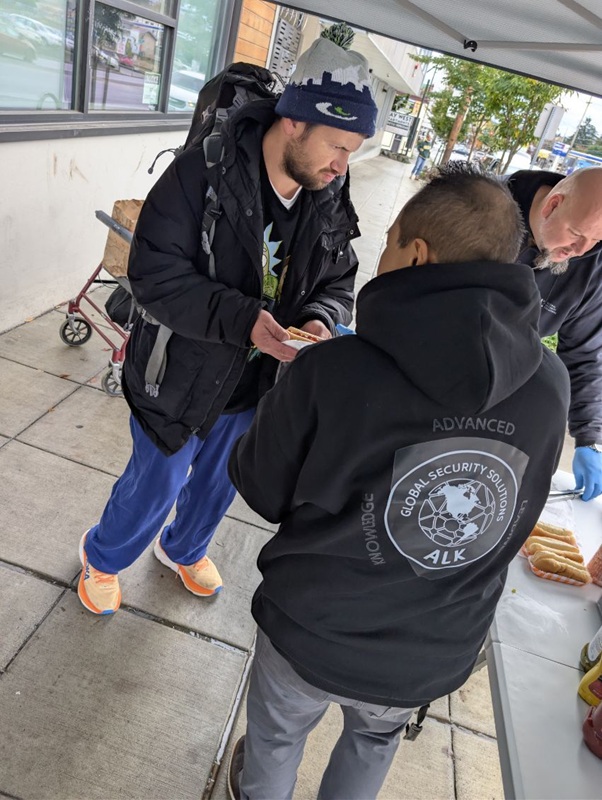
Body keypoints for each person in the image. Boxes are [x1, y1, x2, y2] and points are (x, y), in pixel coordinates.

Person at [226, 163, 569, 800]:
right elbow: (512, 520)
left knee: (274, 740)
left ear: (415, 254)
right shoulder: (551, 388)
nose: (378, 253)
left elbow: (261, 487)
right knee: (373, 743)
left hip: (311, 628)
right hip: (430, 647)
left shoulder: (331, 370)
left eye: (386, 240)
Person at [76, 36, 379, 615]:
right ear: (293, 122)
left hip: (258, 385)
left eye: (353, 151)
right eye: (337, 145)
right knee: (154, 484)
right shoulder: (202, 172)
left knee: (221, 482)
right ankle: (104, 557)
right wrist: (244, 321)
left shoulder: (329, 192)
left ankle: (183, 548)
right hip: (179, 371)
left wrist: (320, 318)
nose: (342, 165)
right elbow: (154, 275)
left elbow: (339, 281)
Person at [507, 167, 602, 500]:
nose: (580, 249)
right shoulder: (488, 208)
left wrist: (589, 437)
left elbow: (584, 353)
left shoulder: (591, 262)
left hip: (502, 399)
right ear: (551, 205)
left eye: (595, 240)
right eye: (577, 234)